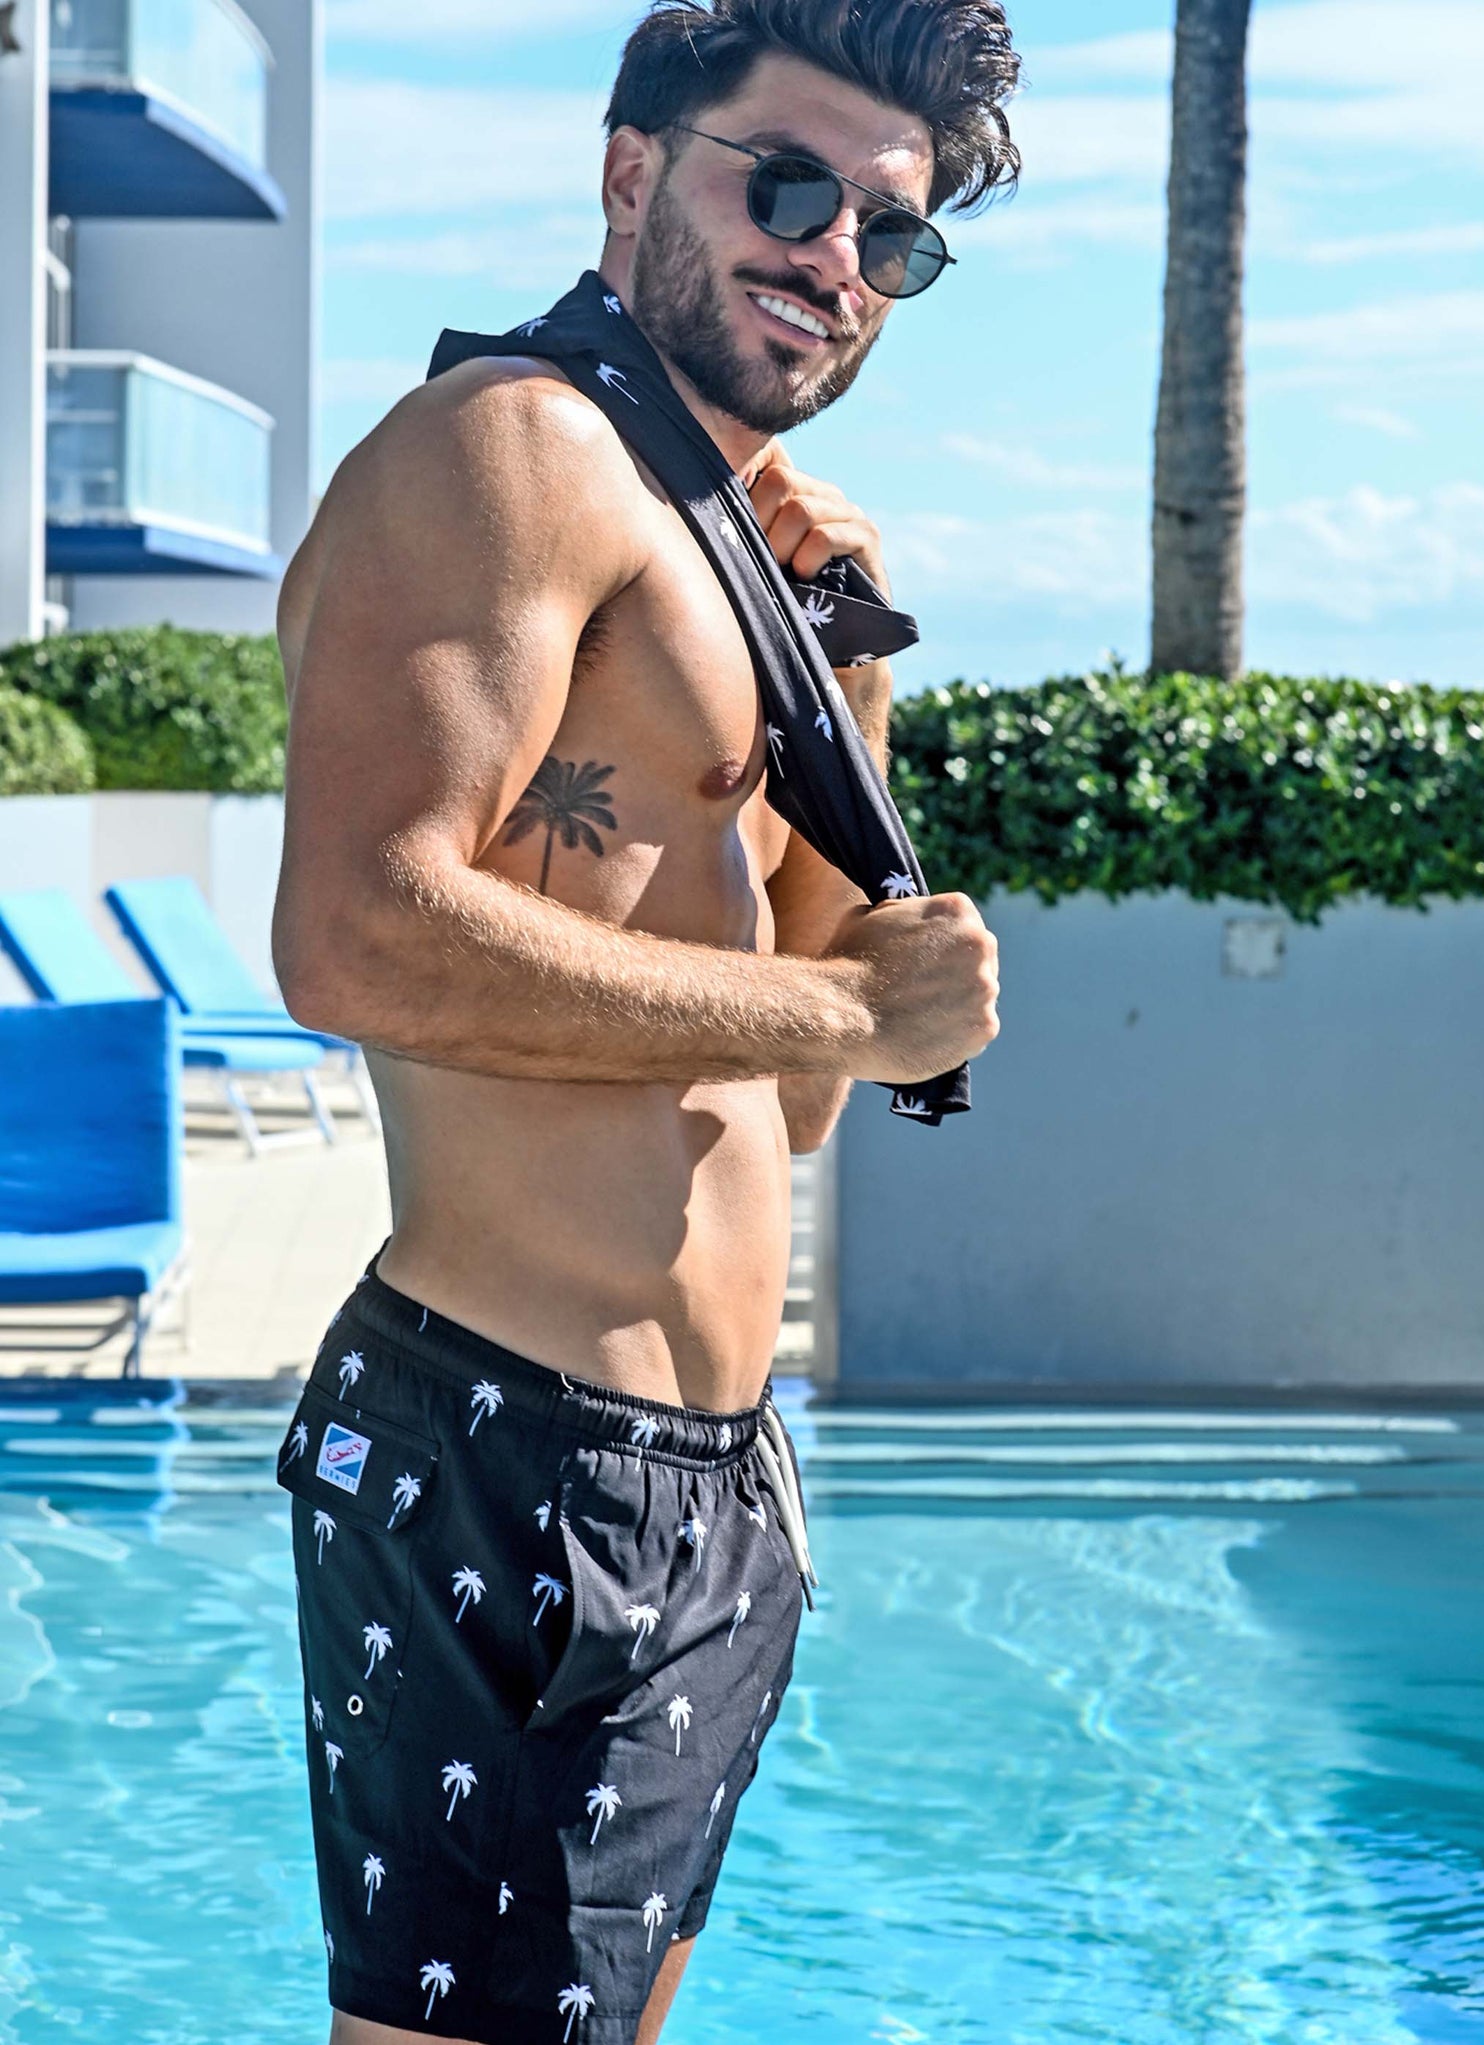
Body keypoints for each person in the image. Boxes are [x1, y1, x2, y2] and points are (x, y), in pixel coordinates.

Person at [272, 3, 1016, 2039]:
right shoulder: (510, 450)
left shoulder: (738, 559)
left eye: (891, 233)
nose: (835, 256)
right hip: (513, 1442)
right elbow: (354, 934)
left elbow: (799, 1100)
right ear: (630, 171)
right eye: (788, 185)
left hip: (712, 1476)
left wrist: (847, 689)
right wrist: (838, 1003)